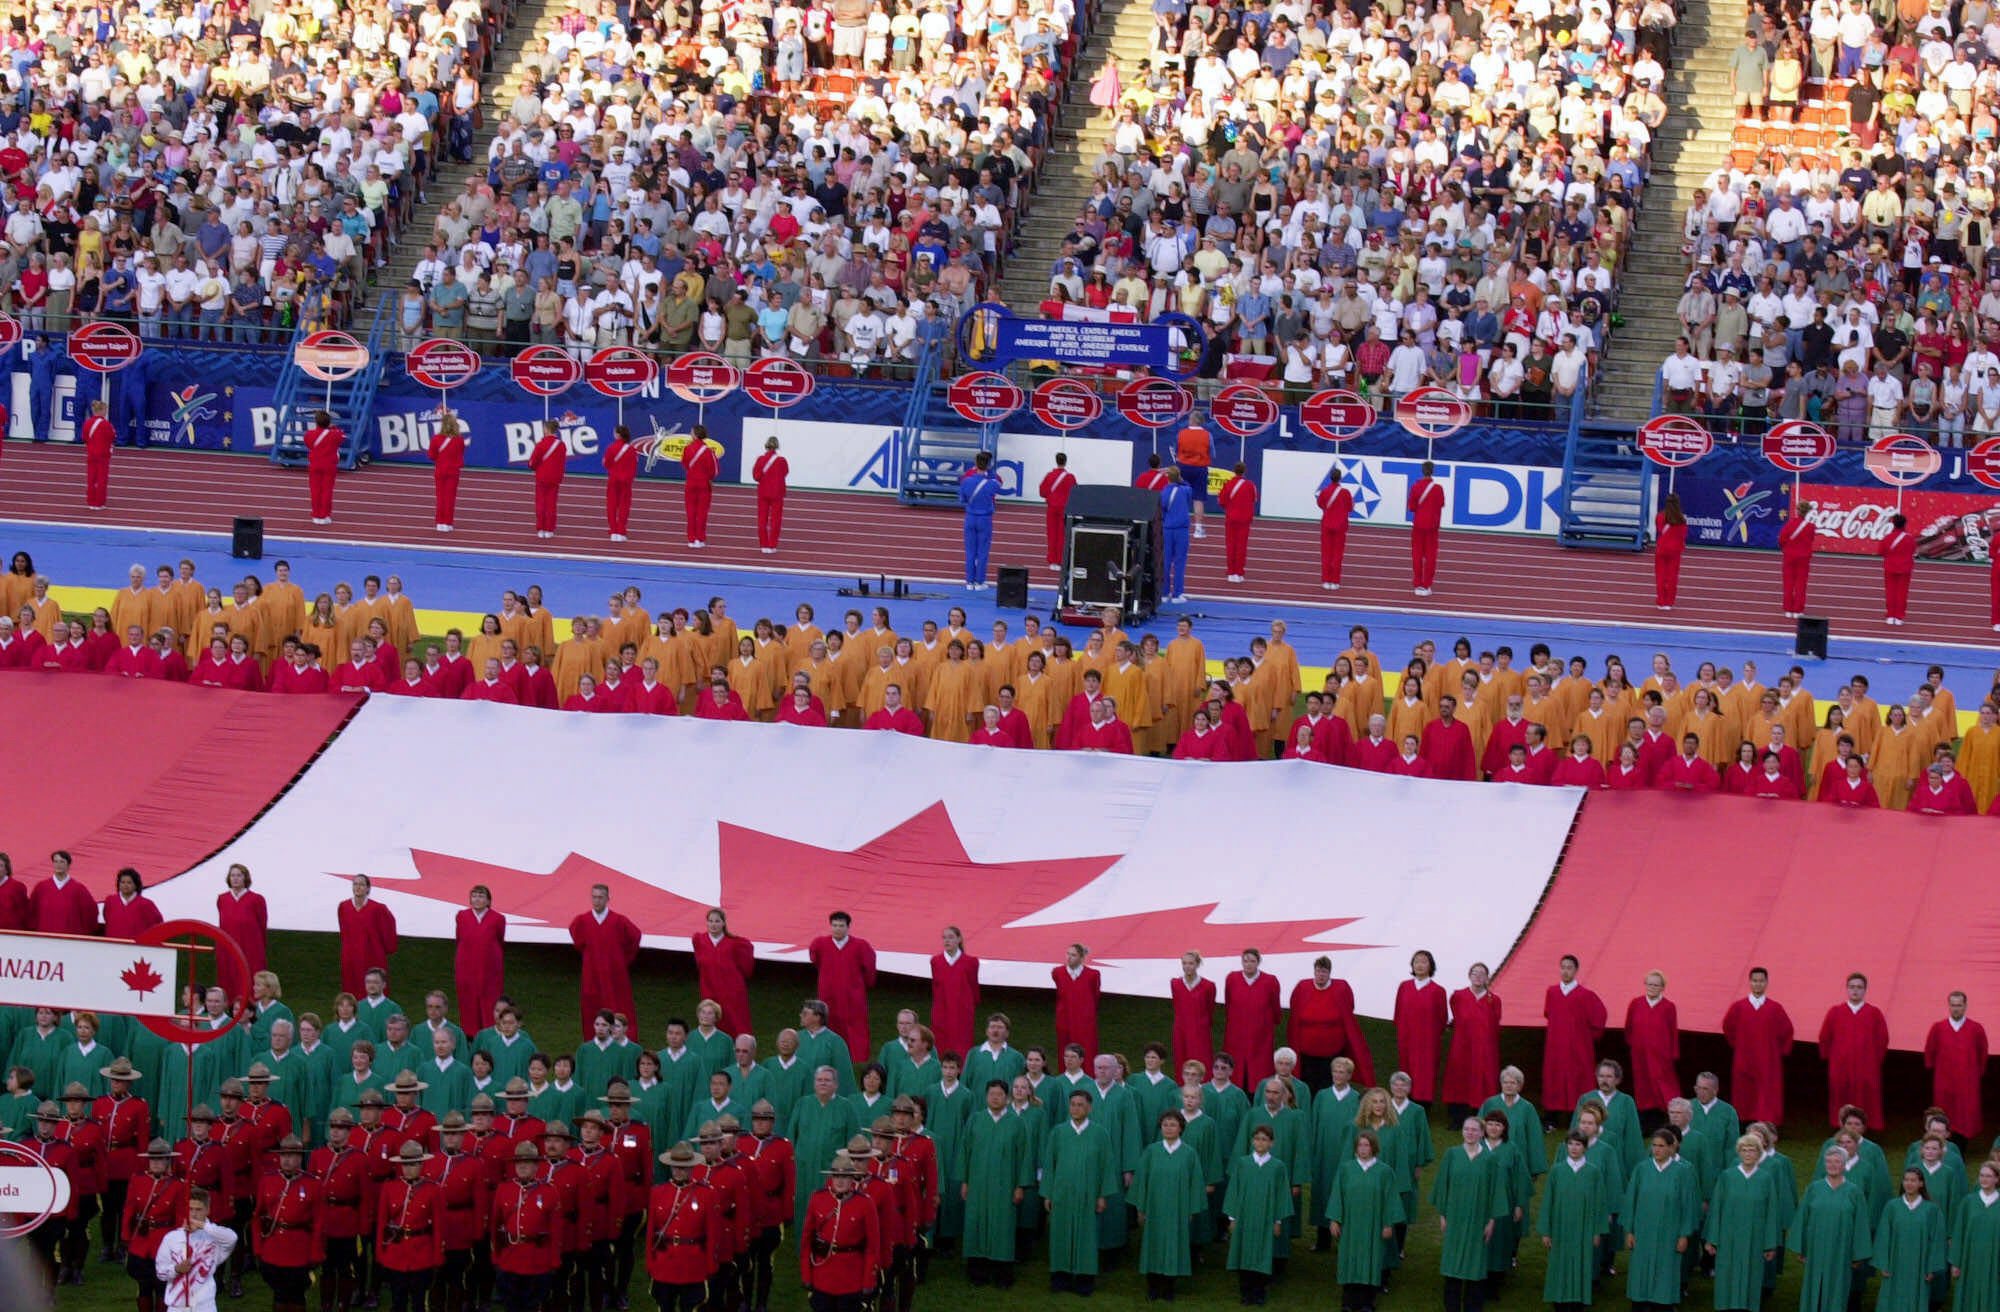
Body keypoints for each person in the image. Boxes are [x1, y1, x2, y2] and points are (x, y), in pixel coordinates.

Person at [962, 1078, 1035, 1289]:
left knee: (1002, 1226)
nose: (995, 1098)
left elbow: (1024, 1156)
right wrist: (965, 1181)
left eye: (1000, 1094)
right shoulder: (975, 1120)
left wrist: (1020, 1185)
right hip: (977, 1184)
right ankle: (977, 1271)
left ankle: (1002, 1273)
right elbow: (965, 1152)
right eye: (992, 1094)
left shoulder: (1016, 1123)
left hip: (1005, 1186)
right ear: (986, 1096)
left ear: (1007, 1097)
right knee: (976, 1223)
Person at [1432, 1117, 1504, 1312]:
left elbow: (1495, 1191)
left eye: (1474, 1130)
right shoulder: (1452, 1154)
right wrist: (1442, 1214)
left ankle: (1473, 1306)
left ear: (1482, 1133)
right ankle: (1452, 1306)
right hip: (1455, 1217)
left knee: (1476, 1262)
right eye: (1466, 1129)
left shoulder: (1490, 1159)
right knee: (1453, 1262)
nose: (1470, 1133)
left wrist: (1491, 1220)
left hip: (1479, 1218)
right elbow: (1442, 1185)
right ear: (1462, 1131)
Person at [1790, 1147, 1874, 1312]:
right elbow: (1803, 1218)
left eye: (1837, 1161)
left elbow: (1861, 1225)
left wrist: (1858, 1254)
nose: (1832, 1165)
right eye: (1828, 1161)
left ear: (1844, 1165)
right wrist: (1802, 1247)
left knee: (1837, 1289)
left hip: (1841, 1249)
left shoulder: (1854, 1192)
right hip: (1816, 1248)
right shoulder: (1814, 1189)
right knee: (1814, 1289)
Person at [1224, 1121, 1294, 1305]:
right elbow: (1234, 1190)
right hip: (1245, 1217)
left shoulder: (1277, 1167)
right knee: (1244, 1253)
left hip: (1266, 1218)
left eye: (1264, 1139)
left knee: (1263, 1255)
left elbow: (1281, 1195)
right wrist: (1232, 1217)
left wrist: (1277, 1221)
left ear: (1271, 1143)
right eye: (1257, 1139)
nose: (1260, 1143)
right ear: (1252, 1141)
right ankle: (1245, 1292)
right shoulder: (1243, 1163)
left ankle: (1259, 1292)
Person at [646, 1141, 721, 1312]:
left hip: (693, 1264)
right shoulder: (658, 1192)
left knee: (692, 1306)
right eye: (675, 1166)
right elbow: (651, 1230)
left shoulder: (707, 1194)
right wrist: (650, 1262)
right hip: (665, 1263)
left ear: (692, 1168)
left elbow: (712, 1233)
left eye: (684, 1167)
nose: (679, 1171)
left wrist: (711, 1265)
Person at [1539, 1131, 1610, 1310]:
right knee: (1560, 1264)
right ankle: (1559, 1300)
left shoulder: (1593, 1172)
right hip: (1560, 1228)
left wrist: (1597, 1231)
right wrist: (1546, 1231)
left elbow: (1600, 1204)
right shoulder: (1557, 1170)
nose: (1574, 1148)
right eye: (1570, 1144)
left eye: (1578, 1144)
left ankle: (1578, 1301)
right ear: (1566, 1146)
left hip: (1584, 1229)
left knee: (1581, 1264)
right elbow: (1548, 1201)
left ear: (1585, 1148)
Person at [1721, 969, 1794, 1126]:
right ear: (1749, 982)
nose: (1758, 984)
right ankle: (1744, 1121)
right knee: (1744, 1091)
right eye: (1755, 980)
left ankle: (1766, 1123)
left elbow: (1787, 1031)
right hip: (1744, 1057)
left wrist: (1778, 1052)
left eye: (1761, 981)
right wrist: (1739, 1046)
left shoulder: (1775, 1009)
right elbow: (1728, 1028)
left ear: (1766, 983)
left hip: (1768, 1059)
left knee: (1767, 1092)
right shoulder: (1739, 1007)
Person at [569, 883, 641, 1038]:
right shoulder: (582, 921)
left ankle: (621, 1040)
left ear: (608, 898)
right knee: (591, 1007)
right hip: (592, 974)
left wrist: (623, 960)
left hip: (615, 974)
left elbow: (635, 937)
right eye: (594, 897)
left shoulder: (619, 921)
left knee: (618, 1006)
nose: (597, 901)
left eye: (600, 897)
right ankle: (593, 1041)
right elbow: (578, 942)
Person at [1820, 973, 1891, 1129]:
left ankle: (1865, 1128)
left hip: (1866, 1067)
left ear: (1865, 990)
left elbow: (1882, 1039)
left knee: (1865, 1098)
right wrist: (1831, 1059)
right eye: (1852, 987)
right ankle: (1840, 1126)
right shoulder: (1836, 1012)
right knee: (1841, 1096)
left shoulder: (1874, 1013)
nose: (1855, 991)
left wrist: (1874, 1061)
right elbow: (1825, 1037)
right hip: (1841, 1065)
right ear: (1847, 989)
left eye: (1859, 987)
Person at [1543, 956, 1607, 1120]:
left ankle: (1580, 1116)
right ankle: (1552, 1118)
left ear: (1576, 970)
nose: (1565, 971)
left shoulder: (1586, 995)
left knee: (1578, 1079)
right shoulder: (1552, 992)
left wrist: (1587, 1039)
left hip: (1577, 1047)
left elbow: (1600, 1018)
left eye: (1569, 967)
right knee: (1555, 1078)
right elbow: (1549, 1014)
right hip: (1556, 1045)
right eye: (1562, 967)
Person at [154, 1188, 238, 1312]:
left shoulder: (214, 1238)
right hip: (177, 1306)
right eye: (190, 1209)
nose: (193, 1214)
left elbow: (232, 1238)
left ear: (208, 1210)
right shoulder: (171, 1238)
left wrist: (202, 1225)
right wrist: (176, 1269)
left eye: (198, 1209)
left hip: (205, 1305)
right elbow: (161, 1273)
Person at [809, 912, 878, 1064]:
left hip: (852, 994)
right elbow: (816, 960)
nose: (837, 929)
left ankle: (857, 1056)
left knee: (855, 1025)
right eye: (834, 925)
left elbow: (869, 968)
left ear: (848, 927)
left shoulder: (861, 946)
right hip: (829, 993)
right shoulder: (820, 944)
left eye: (841, 926)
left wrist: (862, 986)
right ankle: (829, 1054)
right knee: (829, 1022)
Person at [1921, 992, 1988, 1142]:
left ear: (1965, 1006)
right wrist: (1931, 1068)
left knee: (1965, 1113)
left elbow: (1982, 1052)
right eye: (1953, 1005)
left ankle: (1962, 1142)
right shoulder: (1938, 1028)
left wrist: (1977, 1074)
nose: (1955, 1009)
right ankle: (1942, 1140)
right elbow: (1930, 1050)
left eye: (1959, 1005)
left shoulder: (1975, 1029)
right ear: (1948, 1006)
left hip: (1967, 1080)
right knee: (1945, 1110)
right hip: (1945, 1079)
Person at [1394, 950, 1449, 1105]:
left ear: (1430, 965)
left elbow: (1441, 1018)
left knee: (1424, 1074)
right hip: (1407, 1039)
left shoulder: (1438, 991)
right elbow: (1398, 1013)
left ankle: (1423, 1108)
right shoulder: (1404, 987)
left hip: (1427, 1043)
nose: (1419, 965)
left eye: (1424, 961)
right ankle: (1404, 1104)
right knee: (1406, 1071)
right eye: (1416, 961)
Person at [692, 908, 756, 1038]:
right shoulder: (700, 940)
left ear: (723, 923)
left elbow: (746, 966)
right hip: (709, 989)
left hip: (731, 991)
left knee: (736, 1021)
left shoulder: (735, 943)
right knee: (711, 1019)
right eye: (710, 921)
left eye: (717, 921)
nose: (713, 924)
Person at [1224, 950, 1282, 1089]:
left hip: (1260, 1036)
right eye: (1245, 961)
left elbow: (1275, 1007)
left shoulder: (1270, 981)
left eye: (1252, 961)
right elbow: (1228, 1002)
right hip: (1236, 1034)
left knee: (1258, 1071)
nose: (1248, 964)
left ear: (1258, 962)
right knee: (1236, 1069)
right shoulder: (1232, 979)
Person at [453, 884, 506, 1036]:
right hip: (466, 965)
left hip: (489, 967)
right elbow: (459, 938)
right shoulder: (462, 916)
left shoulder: (498, 918)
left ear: (488, 900)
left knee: (490, 999)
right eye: (474, 896)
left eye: (481, 896)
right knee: (468, 999)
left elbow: (499, 939)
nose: (477, 899)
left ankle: (491, 1031)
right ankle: (470, 1034)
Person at [337, 875, 397, 997]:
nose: (358, 887)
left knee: (373, 988)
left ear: (368, 889)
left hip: (372, 956)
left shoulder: (378, 909)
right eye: (355, 884)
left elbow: (388, 930)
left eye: (361, 884)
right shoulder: (344, 907)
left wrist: (386, 948)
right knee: (351, 990)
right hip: (351, 957)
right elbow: (344, 931)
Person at [929, 926, 979, 1059]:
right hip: (942, 1010)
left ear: (959, 939)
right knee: (941, 1044)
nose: (947, 941)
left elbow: (974, 986)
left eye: (950, 937)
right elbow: (936, 986)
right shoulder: (936, 961)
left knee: (961, 1044)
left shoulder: (971, 962)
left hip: (962, 1010)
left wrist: (971, 1005)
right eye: (944, 938)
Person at [958, 451, 1001, 591]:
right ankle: (979, 581)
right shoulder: (992, 483)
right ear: (988, 465)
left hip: (970, 517)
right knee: (982, 552)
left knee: (970, 551)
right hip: (985, 519)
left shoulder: (966, 481)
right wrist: (989, 471)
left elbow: (962, 499)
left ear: (975, 464)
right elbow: (999, 482)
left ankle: (969, 582)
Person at [1052, 944, 1102, 1064]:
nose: (1069, 957)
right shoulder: (1058, 972)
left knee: (1086, 1050)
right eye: (1068, 954)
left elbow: (1095, 995)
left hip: (1084, 1020)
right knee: (1065, 1049)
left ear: (1081, 958)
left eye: (1073, 955)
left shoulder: (1092, 975)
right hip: (1065, 1018)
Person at [1407, 461, 1445, 595]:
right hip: (1432, 526)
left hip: (1418, 524)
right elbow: (1441, 504)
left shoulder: (1416, 487)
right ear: (1432, 471)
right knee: (1430, 556)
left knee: (1417, 554)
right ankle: (1427, 585)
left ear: (1422, 471)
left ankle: (1417, 584)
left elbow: (1411, 507)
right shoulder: (1438, 488)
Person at [527, 420, 567, 539]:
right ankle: (550, 529)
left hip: (542, 477)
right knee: (551, 504)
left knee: (541, 503)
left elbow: (533, 462)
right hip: (555, 478)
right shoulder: (561, 445)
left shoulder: (541, 444)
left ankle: (541, 528)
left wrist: (532, 466)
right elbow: (562, 462)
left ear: (547, 429)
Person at [682, 425, 720, 548]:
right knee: (702, 512)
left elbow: (685, 464)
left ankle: (691, 539)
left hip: (691, 483)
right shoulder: (709, 451)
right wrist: (709, 478)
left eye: (691, 432)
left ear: (696, 434)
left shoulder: (687, 449)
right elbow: (715, 470)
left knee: (691, 511)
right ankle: (700, 539)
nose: (690, 434)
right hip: (704, 484)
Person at [303, 409, 343, 524]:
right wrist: (332, 428)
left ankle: (316, 515)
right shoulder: (335, 434)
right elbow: (341, 437)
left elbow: (308, 444)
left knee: (315, 490)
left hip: (315, 464)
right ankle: (325, 515)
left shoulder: (309, 434)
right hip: (329, 465)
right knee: (327, 490)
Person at [1219, 462, 1257, 583]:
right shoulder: (1250, 485)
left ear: (1234, 471)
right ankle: (1239, 573)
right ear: (1244, 471)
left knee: (1231, 545)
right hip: (1244, 519)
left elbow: (1222, 501)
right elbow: (1254, 499)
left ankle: (1231, 572)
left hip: (1231, 518)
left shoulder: (1228, 484)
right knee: (1241, 546)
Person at [750, 435, 788, 553]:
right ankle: (772, 545)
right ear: (777, 446)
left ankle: (763, 545)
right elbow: (785, 472)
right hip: (777, 492)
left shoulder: (760, 459)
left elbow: (756, 476)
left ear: (766, 445)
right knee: (776, 520)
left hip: (763, 492)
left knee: (762, 519)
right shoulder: (782, 461)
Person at [428, 410, 465, 532]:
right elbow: (460, 454)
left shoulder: (436, 439)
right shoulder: (459, 440)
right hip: (453, 471)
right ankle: (448, 523)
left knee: (440, 497)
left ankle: (439, 522)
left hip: (440, 470)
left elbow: (432, 455)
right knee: (450, 498)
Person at [1160, 466, 1193, 601]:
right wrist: (1181, 480)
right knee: (1180, 561)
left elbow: (1162, 509)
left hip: (1167, 528)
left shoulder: (1163, 492)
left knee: (1165, 561)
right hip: (1181, 529)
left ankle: (1164, 592)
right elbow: (1190, 491)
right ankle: (1177, 593)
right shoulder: (1185, 490)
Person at [1039, 453, 1076, 571]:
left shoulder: (1049, 476)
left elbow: (1042, 492)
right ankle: (1061, 560)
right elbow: (1075, 492)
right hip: (1064, 509)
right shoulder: (1070, 477)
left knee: (1051, 535)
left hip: (1052, 508)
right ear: (1065, 462)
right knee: (1062, 536)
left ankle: (1052, 561)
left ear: (1056, 461)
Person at [1317, 470, 1354, 590]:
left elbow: (1320, 504)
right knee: (1337, 554)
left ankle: (1325, 580)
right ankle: (1335, 581)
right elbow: (1350, 507)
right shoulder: (1345, 493)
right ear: (1340, 478)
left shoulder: (1325, 491)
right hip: (1340, 525)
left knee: (1326, 553)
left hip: (1327, 524)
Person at [1780, 499, 1817, 616]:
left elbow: (1781, 539)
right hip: (1803, 557)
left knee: (1788, 583)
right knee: (1801, 583)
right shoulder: (1811, 527)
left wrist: (1786, 548)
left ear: (1797, 511)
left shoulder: (1789, 524)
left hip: (1789, 556)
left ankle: (1788, 609)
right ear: (1807, 512)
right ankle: (1798, 610)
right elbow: (1811, 540)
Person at [603, 423, 637, 542]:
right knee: (624, 506)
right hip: (626, 481)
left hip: (613, 479)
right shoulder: (632, 449)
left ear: (618, 434)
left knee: (612, 505)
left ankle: (613, 531)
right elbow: (633, 466)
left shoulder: (611, 448)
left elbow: (606, 464)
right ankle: (621, 531)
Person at [1881, 513, 1916, 625]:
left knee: (1890, 592)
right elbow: (1913, 551)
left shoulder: (1887, 538)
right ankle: (1899, 617)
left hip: (1890, 567)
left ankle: (1890, 616)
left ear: (1893, 524)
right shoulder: (1910, 538)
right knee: (1902, 593)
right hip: (1905, 568)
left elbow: (1881, 551)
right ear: (1905, 524)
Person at [1654, 494, 1688, 609]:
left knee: (1660, 576)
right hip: (1675, 551)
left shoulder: (1659, 516)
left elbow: (1659, 529)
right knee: (1672, 576)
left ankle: (1661, 601)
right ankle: (1669, 602)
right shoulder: (1681, 519)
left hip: (1662, 549)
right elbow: (1682, 536)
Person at [82, 399, 116, 509]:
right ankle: (99, 503)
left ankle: (91, 502)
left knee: (91, 479)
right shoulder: (106, 424)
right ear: (102, 411)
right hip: (103, 455)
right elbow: (112, 437)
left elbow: (85, 438)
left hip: (91, 454)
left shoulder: (87, 423)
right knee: (101, 479)